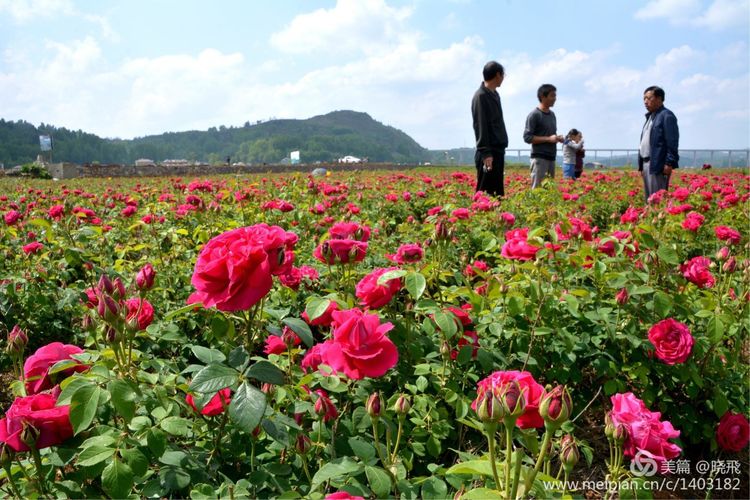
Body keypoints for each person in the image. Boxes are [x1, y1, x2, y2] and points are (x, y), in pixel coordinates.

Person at [471, 61, 508, 197]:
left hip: (497, 150)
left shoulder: (494, 94)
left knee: (497, 192)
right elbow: (480, 125)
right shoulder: (480, 96)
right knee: (485, 192)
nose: (503, 78)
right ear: (498, 75)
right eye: (503, 74)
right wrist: (486, 153)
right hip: (488, 153)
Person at [638, 85, 679, 201]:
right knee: (649, 199)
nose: (645, 102)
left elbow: (672, 141)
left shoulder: (666, 116)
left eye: (649, 98)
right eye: (644, 99)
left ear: (659, 98)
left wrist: (669, 163)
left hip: (658, 164)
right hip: (647, 163)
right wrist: (641, 165)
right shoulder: (650, 117)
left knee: (657, 199)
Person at [523, 84, 563, 188]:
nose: (555, 99)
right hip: (539, 158)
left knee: (548, 192)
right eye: (552, 96)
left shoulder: (552, 115)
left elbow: (549, 135)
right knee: (537, 190)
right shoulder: (534, 115)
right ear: (542, 96)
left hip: (551, 157)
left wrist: (557, 138)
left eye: (555, 96)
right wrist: (549, 139)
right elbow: (527, 137)